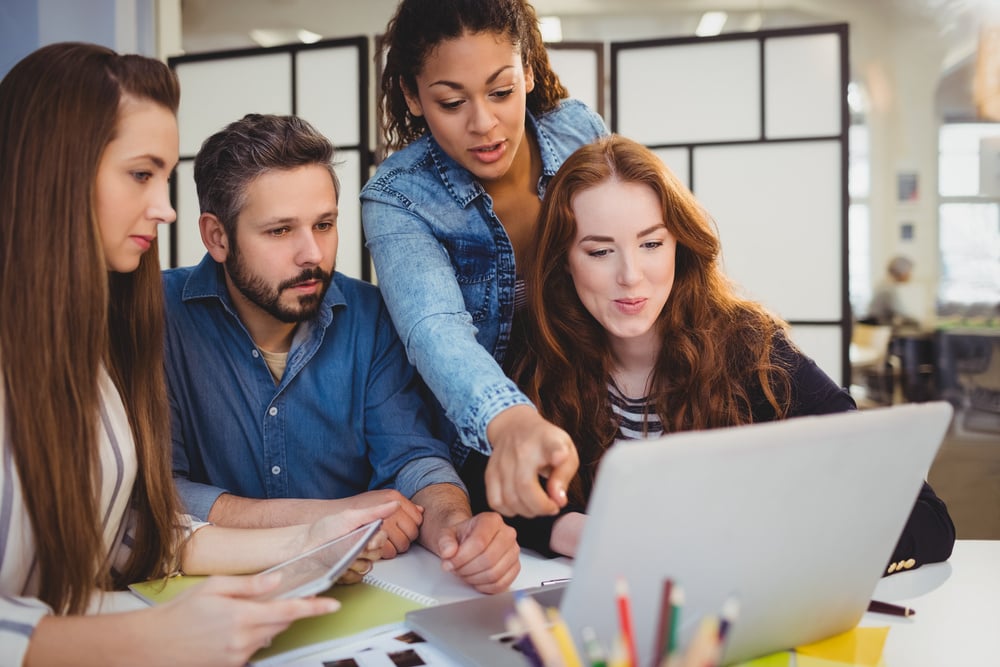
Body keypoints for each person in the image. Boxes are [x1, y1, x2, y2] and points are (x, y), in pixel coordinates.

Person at [0, 42, 398, 667]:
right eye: (141, 174)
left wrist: (313, 540)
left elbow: (132, 533)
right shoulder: (152, 320)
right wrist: (154, 641)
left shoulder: (88, 346)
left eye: (324, 224)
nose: (164, 208)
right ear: (56, 170)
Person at [501, 135, 955, 573]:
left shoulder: (751, 348)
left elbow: (926, 519)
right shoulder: (539, 352)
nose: (631, 275)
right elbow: (489, 490)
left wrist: (783, 551)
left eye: (652, 244)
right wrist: (576, 531)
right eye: (600, 251)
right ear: (564, 260)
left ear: (680, 245)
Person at [165, 113, 519, 594]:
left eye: (325, 224)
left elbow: (412, 459)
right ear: (217, 237)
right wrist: (327, 519)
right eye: (280, 231)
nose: (312, 253)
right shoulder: (158, 316)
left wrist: (456, 529)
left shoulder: (370, 315)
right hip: (205, 601)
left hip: (360, 590)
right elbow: (160, 489)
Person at [360, 0, 609, 519]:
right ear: (412, 96)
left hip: (598, 414)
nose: (484, 123)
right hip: (481, 451)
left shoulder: (579, 132)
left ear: (530, 72)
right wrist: (511, 419)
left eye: (502, 92)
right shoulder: (398, 197)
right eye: (451, 103)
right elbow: (435, 329)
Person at [864, 255, 920, 327]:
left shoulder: (884, 284)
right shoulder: (888, 289)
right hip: (877, 329)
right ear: (901, 272)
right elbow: (902, 312)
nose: (910, 275)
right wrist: (917, 322)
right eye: (909, 271)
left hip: (876, 326)